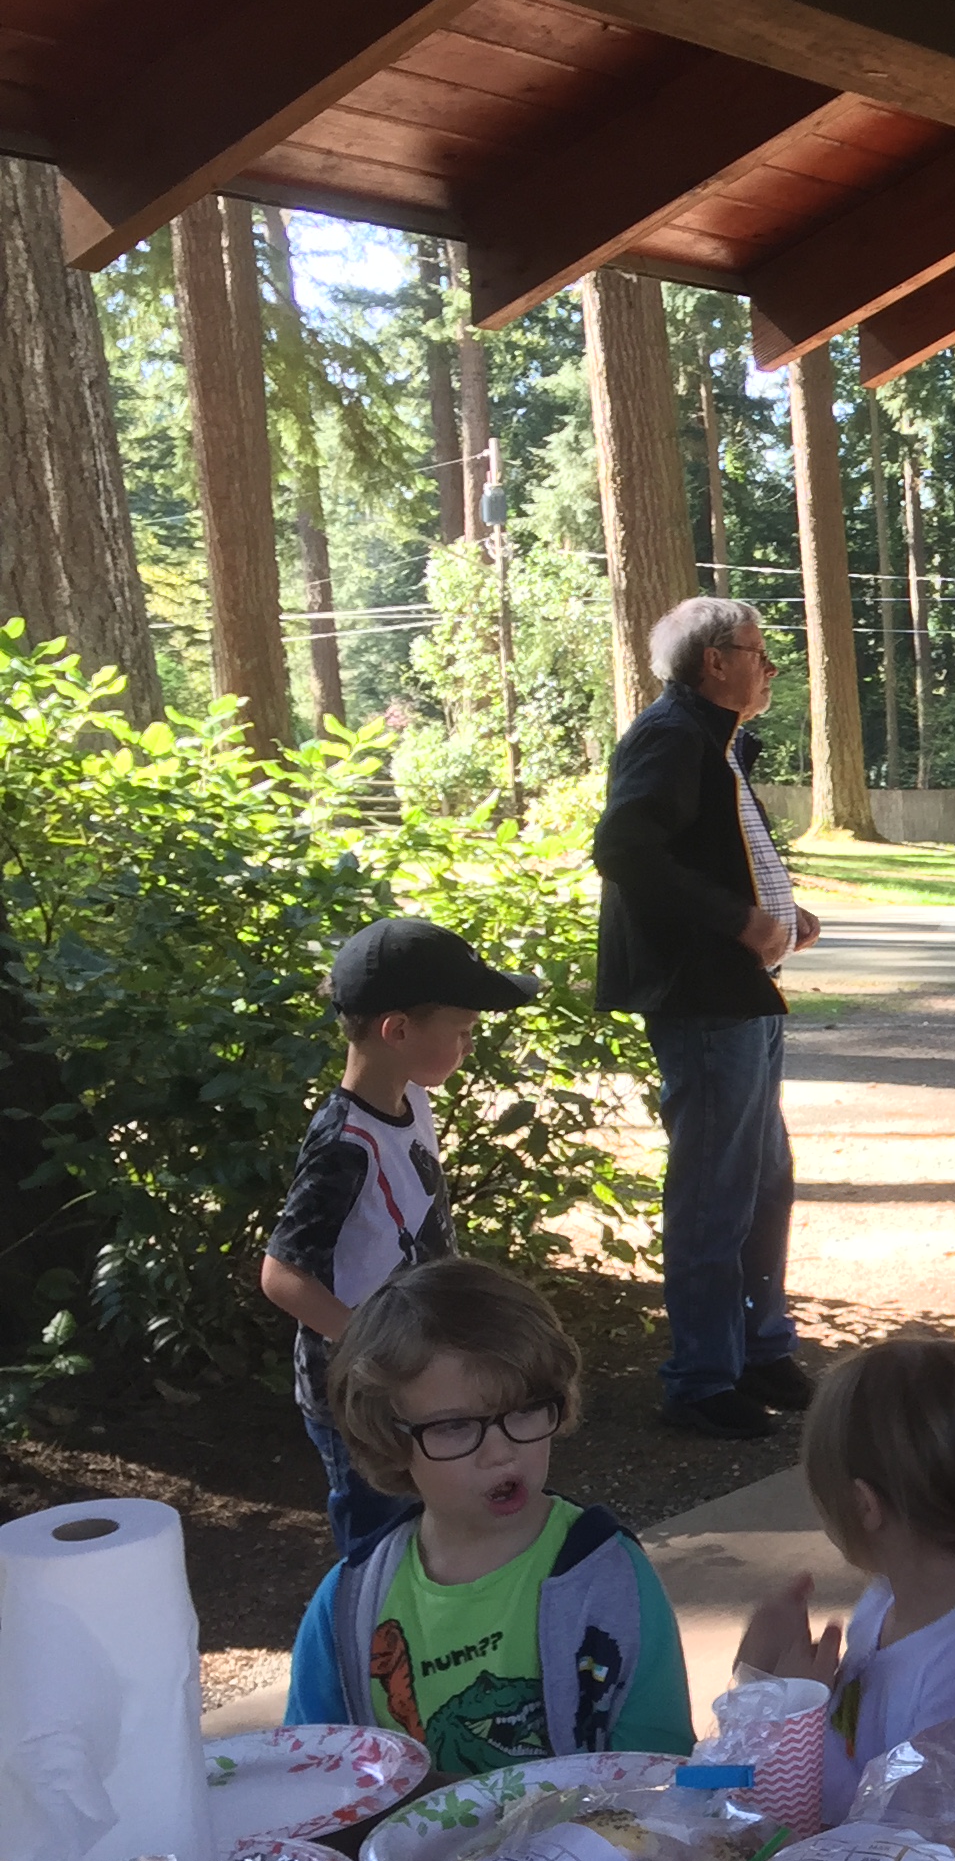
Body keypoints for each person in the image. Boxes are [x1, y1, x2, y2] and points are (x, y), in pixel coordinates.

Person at [284, 1260, 692, 1772]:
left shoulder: (606, 1576)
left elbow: (660, 1767)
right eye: (455, 1427)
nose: (500, 1453)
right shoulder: (351, 1604)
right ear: (388, 1439)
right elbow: (310, 1771)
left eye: (524, 1410)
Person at [593, 594, 821, 1442]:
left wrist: (782, 913)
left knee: (762, 1182)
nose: (770, 668)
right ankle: (699, 1379)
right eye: (758, 653)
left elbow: (715, 855)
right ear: (714, 660)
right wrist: (739, 921)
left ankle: (757, 1349)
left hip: (744, 993)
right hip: (703, 998)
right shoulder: (671, 736)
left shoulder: (714, 741)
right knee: (714, 1192)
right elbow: (624, 849)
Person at [734, 1336, 955, 1821]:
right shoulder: (887, 1599)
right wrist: (761, 1683)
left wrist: (786, 1717)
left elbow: (903, 1839)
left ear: (864, 1504)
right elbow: (854, 1749)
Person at [263, 917, 539, 1561]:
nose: (469, 1044)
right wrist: (377, 1348)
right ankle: (370, 1623)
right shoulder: (344, 1145)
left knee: (430, 1525)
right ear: (397, 1030)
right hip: (362, 1396)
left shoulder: (411, 1097)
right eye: (461, 1030)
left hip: (415, 1378)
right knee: (380, 1543)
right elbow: (283, 1275)